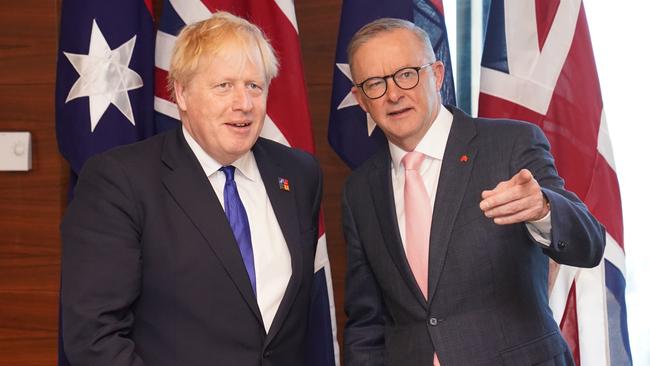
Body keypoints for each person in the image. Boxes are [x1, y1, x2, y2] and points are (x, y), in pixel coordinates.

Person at [61, 12, 322, 365]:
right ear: (181, 93)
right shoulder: (120, 180)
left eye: (254, 86)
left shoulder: (298, 174)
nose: (243, 103)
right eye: (224, 86)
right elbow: (94, 336)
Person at [341, 18, 605, 366]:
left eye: (407, 74)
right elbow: (366, 321)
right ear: (360, 99)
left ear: (436, 75)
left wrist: (543, 208)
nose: (393, 94)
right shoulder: (359, 189)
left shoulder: (511, 143)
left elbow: (590, 245)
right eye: (375, 83)